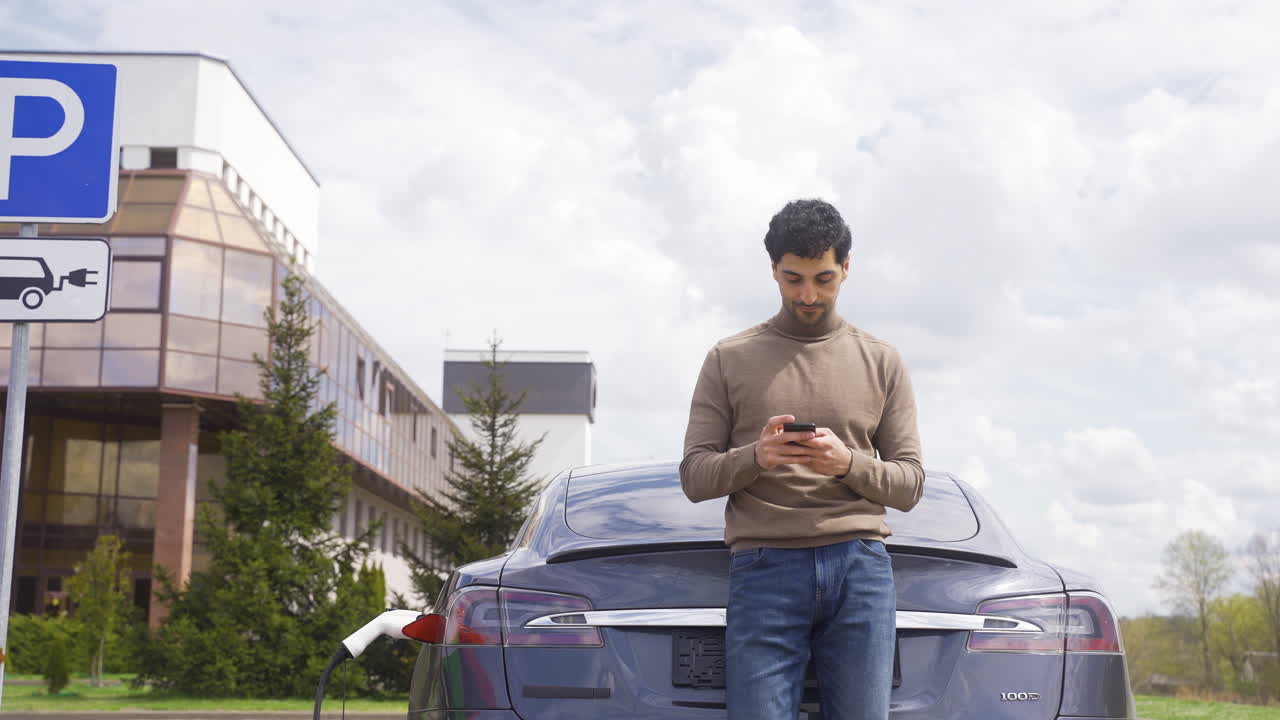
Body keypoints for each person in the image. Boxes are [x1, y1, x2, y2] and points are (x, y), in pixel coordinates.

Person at [680, 198, 924, 719]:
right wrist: (756, 456)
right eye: (793, 279)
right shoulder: (729, 358)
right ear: (773, 270)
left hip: (860, 568)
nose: (808, 295)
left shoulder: (883, 361)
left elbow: (910, 486)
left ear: (847, 268)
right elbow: (694, 476)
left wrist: (848, 463)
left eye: (824, 278)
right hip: (763, 566)